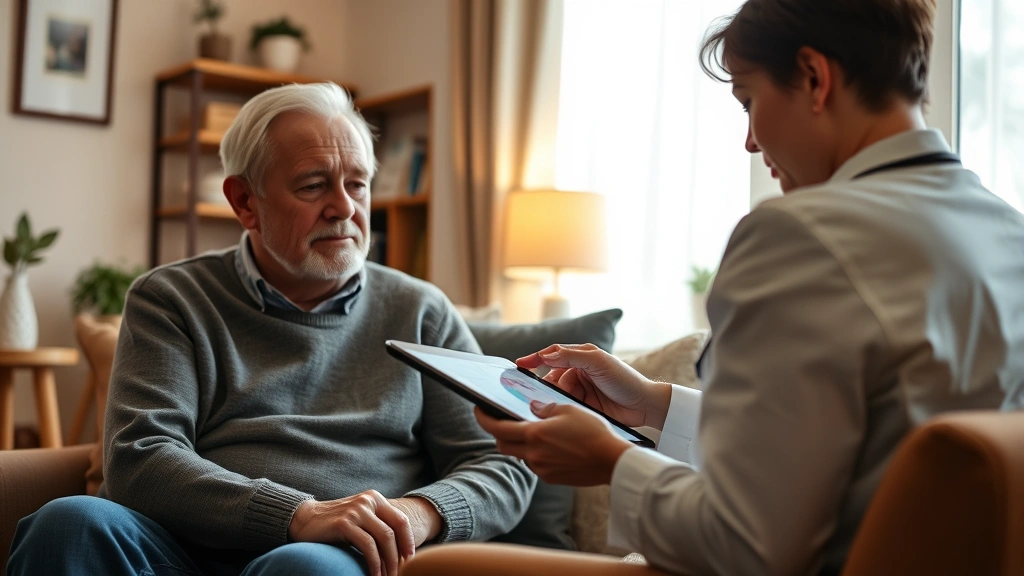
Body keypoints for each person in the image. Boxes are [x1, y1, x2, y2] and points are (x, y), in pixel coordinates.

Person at [476, 0, 1024, 574]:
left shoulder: (799, 235)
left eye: (749, 101)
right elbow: (843, 445)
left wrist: (612, 461)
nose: (750, 143)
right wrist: (653, 404)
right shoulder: (1004, 231)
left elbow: (742, 546)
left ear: (814, 78)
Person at [7, 82, 535, 576]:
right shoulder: (171, 299)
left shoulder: (422, 311)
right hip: (182, 550)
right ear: (244, 202)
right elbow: (139, 457)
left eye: (357, 184)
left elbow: (503, 463)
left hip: (334, 559)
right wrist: (296, 513)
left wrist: (417, 514)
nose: (345, 207)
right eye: (313, 185)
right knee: (67, 524)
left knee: (305, 567)